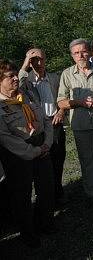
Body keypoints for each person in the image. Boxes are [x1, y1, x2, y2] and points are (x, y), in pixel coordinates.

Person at [0, 60, 54, 248]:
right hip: (18, 154)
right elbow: (6, 138)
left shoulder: (27, 95)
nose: (16, 78)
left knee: (46, 188)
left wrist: (46, 143)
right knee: (21, 196)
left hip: (41, 147)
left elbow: (46, 121)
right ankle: (28, 233)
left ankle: (44, 223)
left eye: (16, 74)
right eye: (10, 76)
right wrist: (34, 151)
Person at [57, 38, 93, 204]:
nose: (80, 55)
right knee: (87, 160)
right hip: (81, 124)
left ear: (89, 52)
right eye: (76, 53)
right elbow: (61, 101)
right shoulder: (67, 74)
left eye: (83, 51)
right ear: (72, 56)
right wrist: (80, 103)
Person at [19, 48, 67, 205]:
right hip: (38, 128)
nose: (38, 63)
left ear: (45, 59)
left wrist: (61, 111)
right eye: (34, 60)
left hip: (55, 123)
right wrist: (25, 64)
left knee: (58, 159)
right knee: (42, 164)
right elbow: (15, 86)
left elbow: (64, 97)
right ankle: (45, 198)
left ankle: (58, 192)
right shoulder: (26, 80)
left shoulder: (54, 78)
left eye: (40, 59)